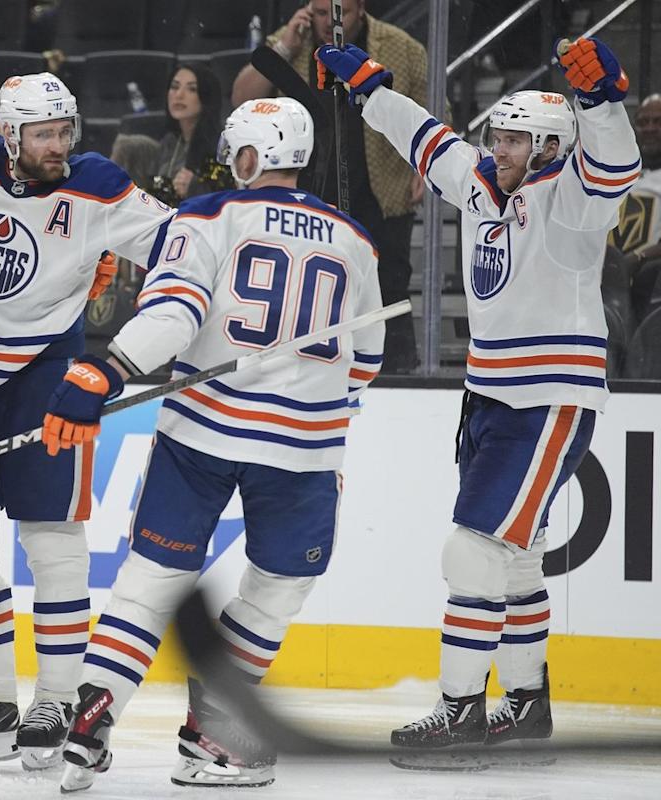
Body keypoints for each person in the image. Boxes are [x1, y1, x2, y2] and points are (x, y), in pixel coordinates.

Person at [41, 96, 385, 792]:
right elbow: (367, 359)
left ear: (249, 155)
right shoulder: (356, 240)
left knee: (151, 579)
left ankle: (92, 715)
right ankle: (217, 731)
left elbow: (175, 312)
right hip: (302, 448)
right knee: (279, 585)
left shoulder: (205, 216)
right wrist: (326, 432)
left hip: (200, 430)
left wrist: (108, 369)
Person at [315, 36, 639, 755]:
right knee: (516, 558)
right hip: (489, 394)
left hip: (550, 397)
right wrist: (369, 87)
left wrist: (602, 102)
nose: (498, 147)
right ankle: (526, 705)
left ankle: (460, 707)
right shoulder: (480, 180)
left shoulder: (573, 199)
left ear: (553, 145)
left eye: (516, 138)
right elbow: (424, 138)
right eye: (496, 133)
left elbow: (617, 165)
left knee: (473, 553)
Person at [0, 72, 173, 770]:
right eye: (44, 134)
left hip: (46, 375)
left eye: (65, 131)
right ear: (9, 134)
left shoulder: (96, 183)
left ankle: (56, 700)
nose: (59, 146)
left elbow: (184, 249)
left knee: (54, 538)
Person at [233, 0, 426, 373]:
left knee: (389, 283)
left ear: (361, 9)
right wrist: (287, 44)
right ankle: (304, 365)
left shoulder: (401, 46)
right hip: (307, 186)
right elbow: (242, 96)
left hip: (381, 187)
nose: (328, 21)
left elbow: (432, 107)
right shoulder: (293, 41)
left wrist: (422, 164)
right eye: (319, 12)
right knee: (304, 283)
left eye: (338, 12)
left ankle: (397, 371)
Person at [145, 62, 234, 205]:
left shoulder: (222, 144)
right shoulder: (170, 141)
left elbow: (228, 198)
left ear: (206, 97)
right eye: (174, 87)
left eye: (192, 89)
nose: (179, 95)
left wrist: (195, 188)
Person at [609, 94, 661, 312]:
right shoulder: (616, 172)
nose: (649, 128)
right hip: (606, 272)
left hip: (651, 277)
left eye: (658, 122)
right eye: (643, 122)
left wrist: (638, 258)